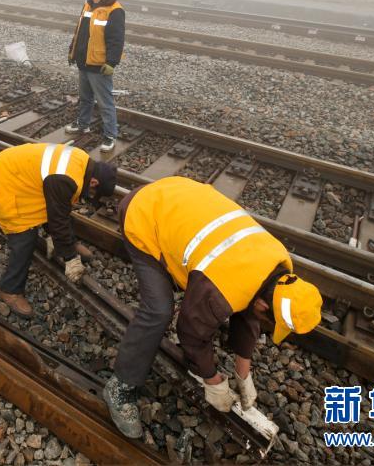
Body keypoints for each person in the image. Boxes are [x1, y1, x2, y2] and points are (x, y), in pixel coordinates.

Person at [101, 176, 323, 439]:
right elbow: (190, 333)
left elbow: (250, 309)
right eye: (270, 319)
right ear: (265, 304)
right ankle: (120, 388)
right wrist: (213, 380)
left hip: (179, 193)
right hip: (143, 213)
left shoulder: (280, 266)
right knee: (158, 310)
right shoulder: (222, 287)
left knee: (207, 303)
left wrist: (243, 372)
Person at [0, 143, 117, 317]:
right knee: (24, 235)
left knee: (59, 206)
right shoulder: (66, 178)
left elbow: (59, 207)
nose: (90, 196)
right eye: (93, 193)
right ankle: (9, 289)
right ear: (94, 182)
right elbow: (57, 219)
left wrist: (64, 245)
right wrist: (70, 259)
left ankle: (65, 245)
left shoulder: (81, 159)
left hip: (18, 171)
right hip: (6, 178)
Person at [65, 0, 125, 153]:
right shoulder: (88, 4)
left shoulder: (114, 10)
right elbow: (80, 31)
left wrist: (111, 62)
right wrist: (72, 51)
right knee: (85, 98)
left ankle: (110, 136)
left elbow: (117, 39)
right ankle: (83, 124)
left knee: (105, 102)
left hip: (99, 65)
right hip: (84, 61)